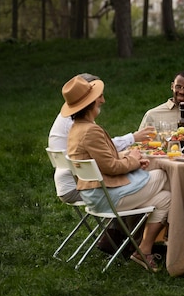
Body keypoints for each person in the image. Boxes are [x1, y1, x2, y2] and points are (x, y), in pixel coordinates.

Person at [62, 75, 171, 272]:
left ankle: (143, 250)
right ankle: (176, 240)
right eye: (98, 97)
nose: (102, 100)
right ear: (89, 103)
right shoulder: (90, 130)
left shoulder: (77, 128)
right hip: (105, 197)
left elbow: (102, 159)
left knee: (166, 198)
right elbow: (111, 167)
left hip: (95, 194)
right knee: (164, 175)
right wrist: (134, 160)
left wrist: (130, 156)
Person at [48, 73, 156, 204]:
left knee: (159, 195)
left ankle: (125, 223)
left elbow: (98, 154)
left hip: (82, 182)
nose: (102, 100)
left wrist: (125, 156)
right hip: (85, 187)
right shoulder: (83, 127)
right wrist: (132, 154)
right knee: (157, 179)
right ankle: (123, 222)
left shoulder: (76, 122)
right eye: (98, 95)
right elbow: (108, 163)